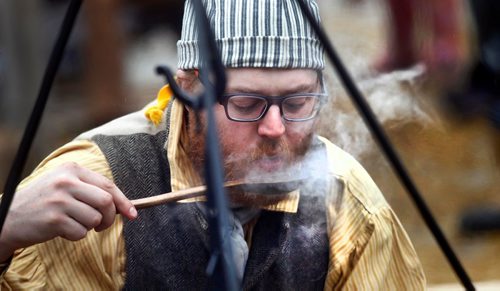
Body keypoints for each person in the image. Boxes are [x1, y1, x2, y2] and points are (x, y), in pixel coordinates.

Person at [0, 0, 426, 289]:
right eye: (246, 103)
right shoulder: (96, 186)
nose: (276, 128)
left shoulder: (345, 203)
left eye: (297, 102)